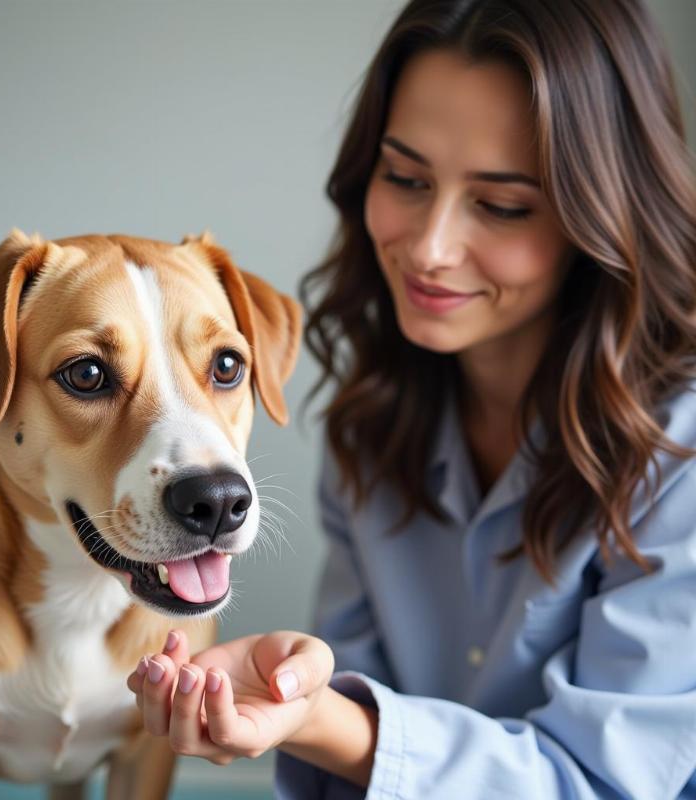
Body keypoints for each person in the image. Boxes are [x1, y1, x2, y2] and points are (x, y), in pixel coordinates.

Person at [126, 0, 696, 796]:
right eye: (405, 177)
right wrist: (292, 694)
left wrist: (324, 720)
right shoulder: (373, 424)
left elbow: (602, 781)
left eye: (501, 205)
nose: (429, 249)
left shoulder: (681, 450)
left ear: (603, 215)